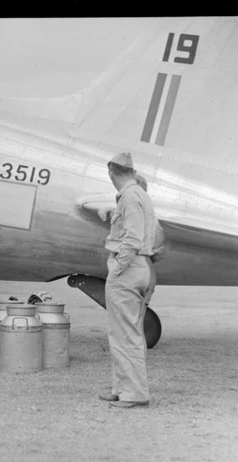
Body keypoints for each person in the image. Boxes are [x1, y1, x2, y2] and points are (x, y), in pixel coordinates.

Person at [99, 152, 158, 408]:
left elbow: (132, 239)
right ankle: (121, 388)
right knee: (123, 331)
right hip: (138, 267)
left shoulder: (131, 196)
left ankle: (134, 393)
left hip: (128, 269)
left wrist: (118, 268)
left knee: (125, 334)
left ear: (112, 170)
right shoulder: (137, 195)